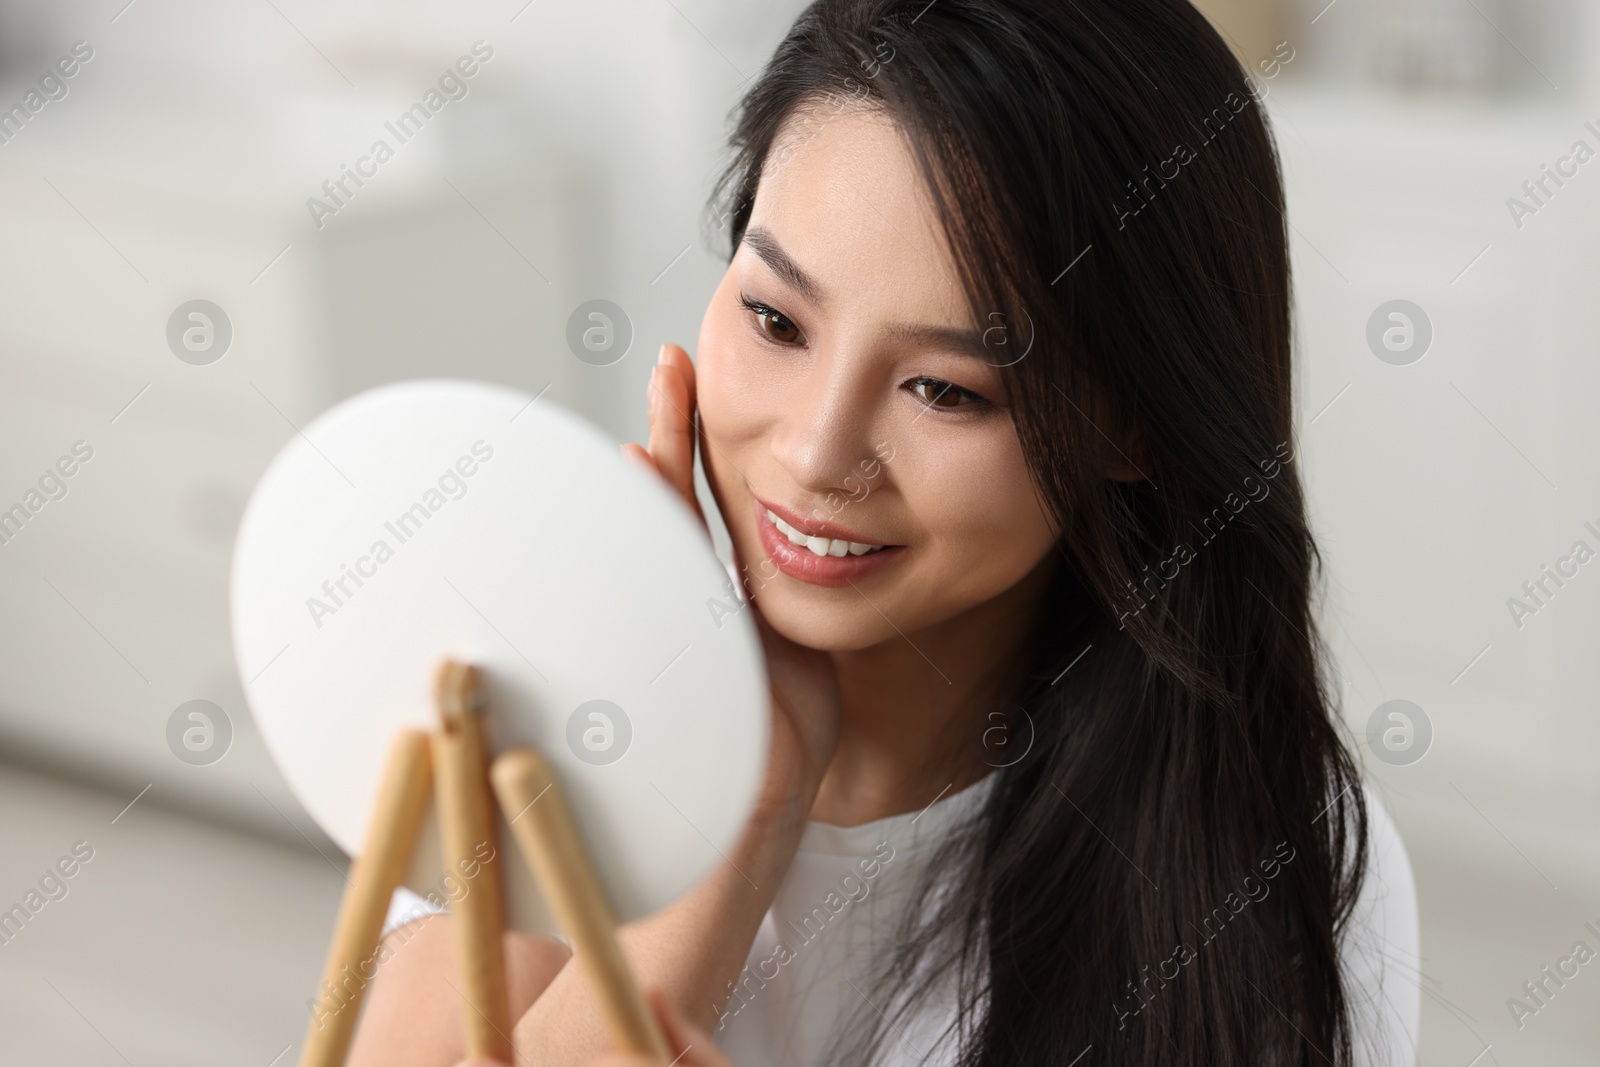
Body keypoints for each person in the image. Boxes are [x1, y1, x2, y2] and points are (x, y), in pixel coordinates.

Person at [351, 1, 1420, 1064]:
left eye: (943, 389)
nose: (818, 454)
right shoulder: (539, 725)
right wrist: (742, 799)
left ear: (1133, 426)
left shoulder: (1279, 857)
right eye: (775, 320)